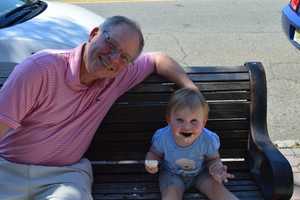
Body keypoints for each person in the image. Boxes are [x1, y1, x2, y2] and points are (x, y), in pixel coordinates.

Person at [0, 16, 197, 200]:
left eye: (124, 57)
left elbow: (157, 59)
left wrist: (191, 91)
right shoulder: (40, 69)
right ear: (94, 34)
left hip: (63, 176)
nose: (113, 58)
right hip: (8, 169)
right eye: (110, 44)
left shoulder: (118, 76)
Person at [145, 88, 239, 200]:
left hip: (201, 174)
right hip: (172, 174)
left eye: (194, 121)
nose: (187, 127)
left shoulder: (207, 139)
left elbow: (213, 159)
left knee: (218, 190)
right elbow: (154, 153)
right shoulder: (163, 137)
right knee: (171, 193)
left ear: (204, 122)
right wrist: (151, 163)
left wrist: (216, 168)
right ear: (169, 120)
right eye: (180, 120)